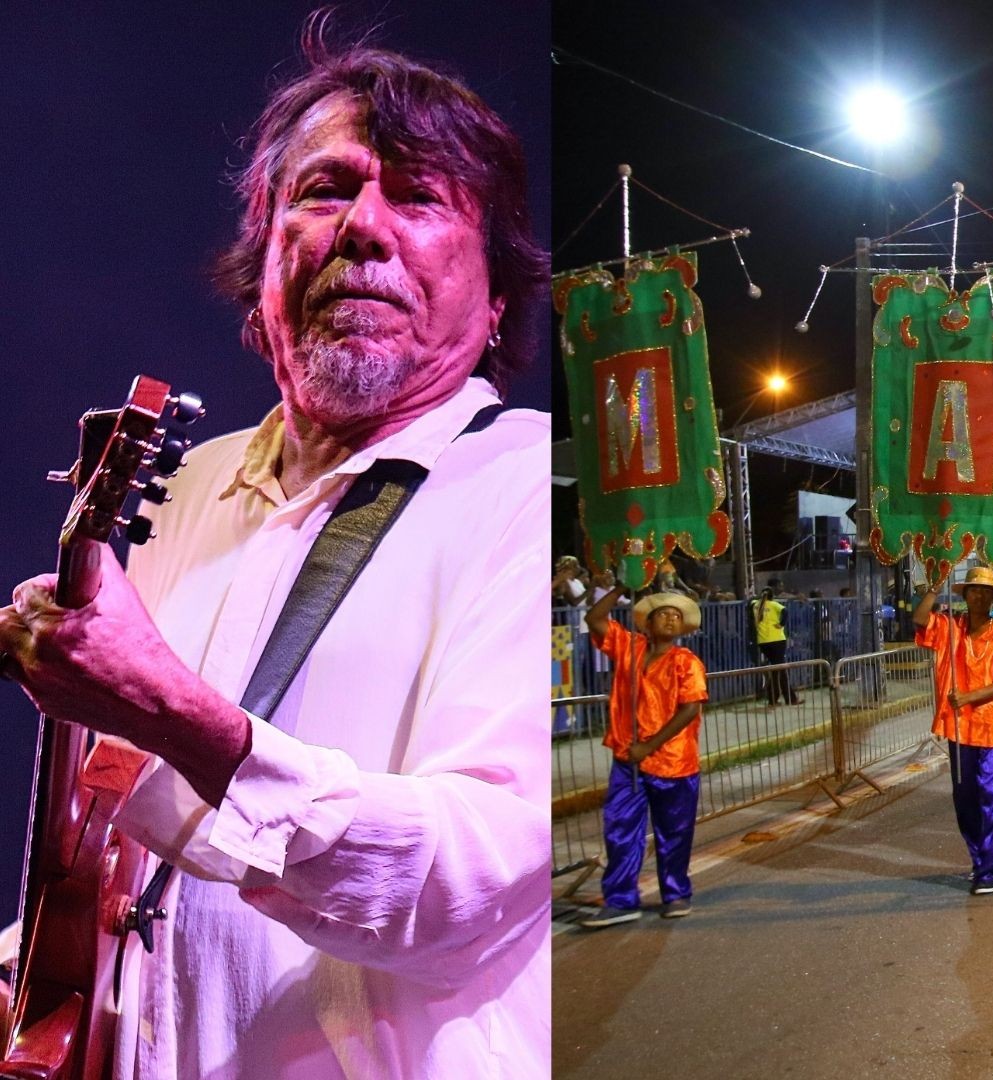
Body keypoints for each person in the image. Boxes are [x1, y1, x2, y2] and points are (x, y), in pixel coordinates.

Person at [0, 31, 549, 1077]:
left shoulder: (523, 488)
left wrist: (169, 709)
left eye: (421, 197)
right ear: (262, 272)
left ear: (495, 304)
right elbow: (110, 858)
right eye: (325, 190)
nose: (364, 229)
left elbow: (473, 886)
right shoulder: (187, 486)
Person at [579, 589, 706, 926]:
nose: (670, 618)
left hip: (673, 763)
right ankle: (621, 900)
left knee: (674, 833)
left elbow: (690, 708)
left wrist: (649, 746)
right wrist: (621, 585)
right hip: (628, 760)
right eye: (662, 613)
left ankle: (676, 893)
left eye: (676, 616)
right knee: (619, 830)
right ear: (647, 623)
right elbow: (593, 619)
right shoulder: (628, 647)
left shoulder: (686, 661)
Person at [913, 567, 993, 895]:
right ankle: (979, 860)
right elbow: (921, 620)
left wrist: (966, 697)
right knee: (964, 799)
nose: (979, 595)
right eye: (973, 590)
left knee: (991, 797)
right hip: (962, 729)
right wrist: (935, 589)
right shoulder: (951, 629)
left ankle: (988, 867)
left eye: (985, 591)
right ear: (964, 595)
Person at [752, 584, 801, 706]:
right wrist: (781, 624)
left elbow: (750, 601)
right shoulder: (774, 605)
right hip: (777, 640)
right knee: (781, 669)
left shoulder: (755, 605)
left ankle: (773, 698)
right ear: (772, 596)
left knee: (775, 670)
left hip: (763, 641)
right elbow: (785, 611)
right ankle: (790, 698)